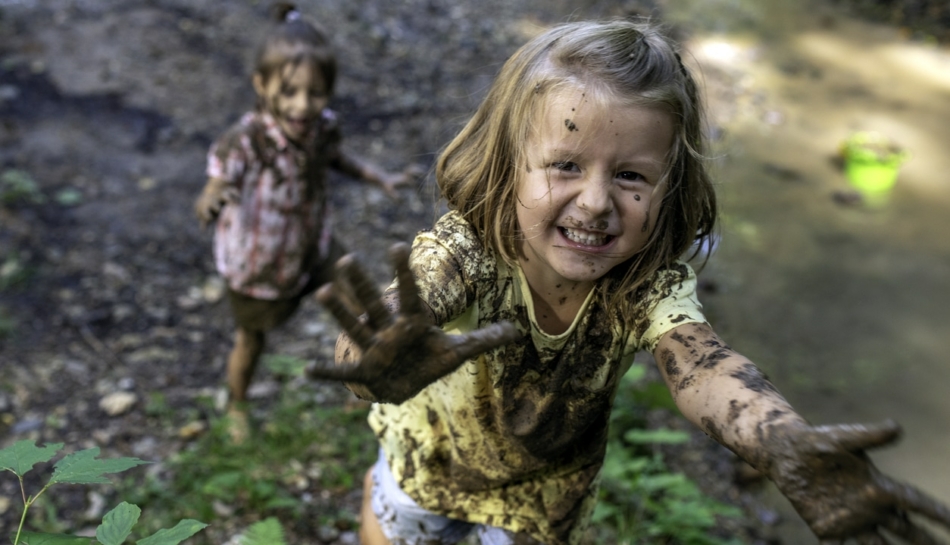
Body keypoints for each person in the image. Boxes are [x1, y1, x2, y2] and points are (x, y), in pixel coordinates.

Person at [307, 19, 950, 545]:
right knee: (393, 529)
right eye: (564, 164)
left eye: (631, 177)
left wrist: (778, 440)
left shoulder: (640, 284)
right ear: (508, 169)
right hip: (426, 462)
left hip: (545, 496)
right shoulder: (469, 249)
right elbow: (390, 322)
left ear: (670, 190)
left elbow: (704, 367)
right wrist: (373, 362)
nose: (594, 202)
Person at [194, 3, 416, 442]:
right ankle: (238, 403)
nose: (302, 106)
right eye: (290, 92)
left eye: (315, 93)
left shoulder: (322, 126)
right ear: (261, 85)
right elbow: (215, 183)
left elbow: (335, 158)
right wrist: (212, 200)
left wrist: (379, 177)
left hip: (314, 245)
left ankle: (368, 379)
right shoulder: (247, 141)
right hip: (259, 264)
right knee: (252, 338)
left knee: (360, 303)